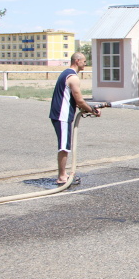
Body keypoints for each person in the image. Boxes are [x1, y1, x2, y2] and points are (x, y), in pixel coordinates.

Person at [49, 52, 101, 185]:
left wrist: (84, 108)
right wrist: (92, 110)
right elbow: (79, 100)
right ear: (77, 61)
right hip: (62, 115)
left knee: (65, 144)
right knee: (64, 146)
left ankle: (64, 174)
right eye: (84, 61)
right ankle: (61, 177)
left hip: (60, 114)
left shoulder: (66, 73)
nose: (86, 63)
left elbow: (73, 99)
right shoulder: (73, 78)